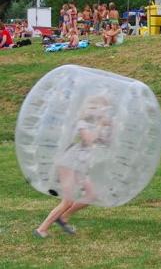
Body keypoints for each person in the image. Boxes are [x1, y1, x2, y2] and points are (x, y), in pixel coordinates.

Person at [33, 96, 112, 238]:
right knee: (67, 201)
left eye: (100, 109)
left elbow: (105, 142)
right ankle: (41, 229)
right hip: (68, 163)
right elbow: (89, 140)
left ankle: (63, 218)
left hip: (80, 166)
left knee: (91, 195)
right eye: (92, 108)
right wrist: (100, 124)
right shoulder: (81, 123)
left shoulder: (95, 125)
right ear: (85, 109)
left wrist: (110, 127)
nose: (96, 111)